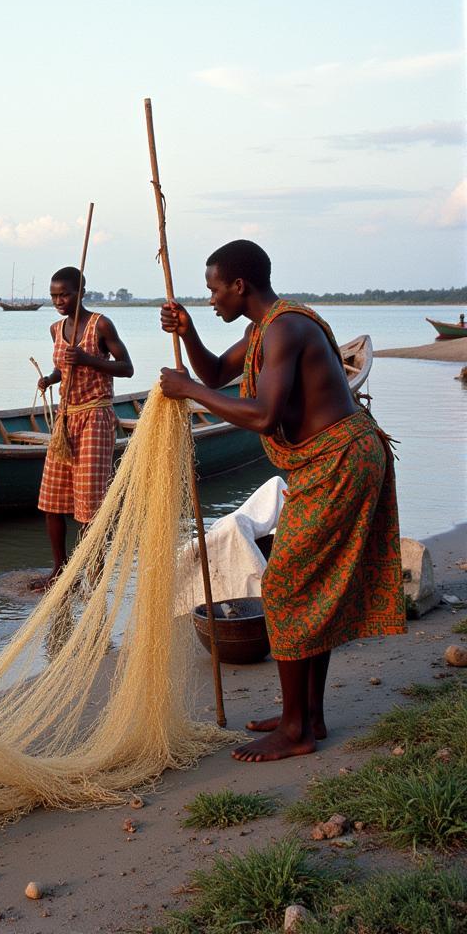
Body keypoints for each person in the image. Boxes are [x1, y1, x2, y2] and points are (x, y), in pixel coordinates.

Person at [159, 240, 404, 763]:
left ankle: (295, 730)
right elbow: (214, 376)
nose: (211, 300)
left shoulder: (287, 328)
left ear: (239, 286)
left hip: (340, 459)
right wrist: (189, 335)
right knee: (306, 582)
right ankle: (307, 715)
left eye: (213, 290)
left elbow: (264, 414)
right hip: (324, 462)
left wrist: (185, 392)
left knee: (288, 584)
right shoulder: (261, 330)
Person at [31, 266, 134, 591]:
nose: (59, 301)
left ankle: (94, 569)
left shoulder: (100, 325)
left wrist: (89, 359)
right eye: (54, 296)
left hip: (95, 418)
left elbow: (126, 368)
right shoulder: (55, 328)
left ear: (81, 293)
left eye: (65, 294)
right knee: (51, 501)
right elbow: (65, 367)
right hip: (66, 419)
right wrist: (51, 378)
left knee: (88, 505)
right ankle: (60, 570)